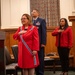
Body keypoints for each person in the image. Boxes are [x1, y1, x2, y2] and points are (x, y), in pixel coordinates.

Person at [31, 9, 46, 75]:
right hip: (32, 44)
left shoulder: (41, 20)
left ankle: (40, 72)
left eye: (34, 12)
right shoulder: (30, 21)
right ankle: (35, 72)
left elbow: (44, 32)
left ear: (38, 13)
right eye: (32, 12)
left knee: (40, 58)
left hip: (39, 43)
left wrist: (43, 42)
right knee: (34, 58)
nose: (32, 13)